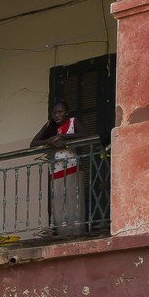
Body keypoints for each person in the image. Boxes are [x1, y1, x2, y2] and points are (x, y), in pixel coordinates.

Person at [31, 101, 86, 236]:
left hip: (72, 166)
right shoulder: (50, 126)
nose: (57, 115)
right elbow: (33, 143)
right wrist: (50, 140)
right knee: (58, 201)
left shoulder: (73, 122)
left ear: (66, 112)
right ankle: (62, 232)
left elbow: (84, 134)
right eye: (54, 112)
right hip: (56, 169)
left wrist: (62, 136)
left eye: (60, 112)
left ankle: (76, 232)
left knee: (74, 199)